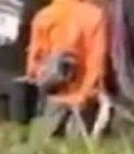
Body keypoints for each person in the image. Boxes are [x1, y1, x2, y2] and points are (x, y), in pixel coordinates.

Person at [27, 0, 111, 138]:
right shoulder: (95, 16)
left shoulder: (44, 16)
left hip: (52, 96)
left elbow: (33, 66)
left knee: (44, 149)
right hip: (83, 98)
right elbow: (97, 62)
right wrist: (85, 94)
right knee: (78, 153)